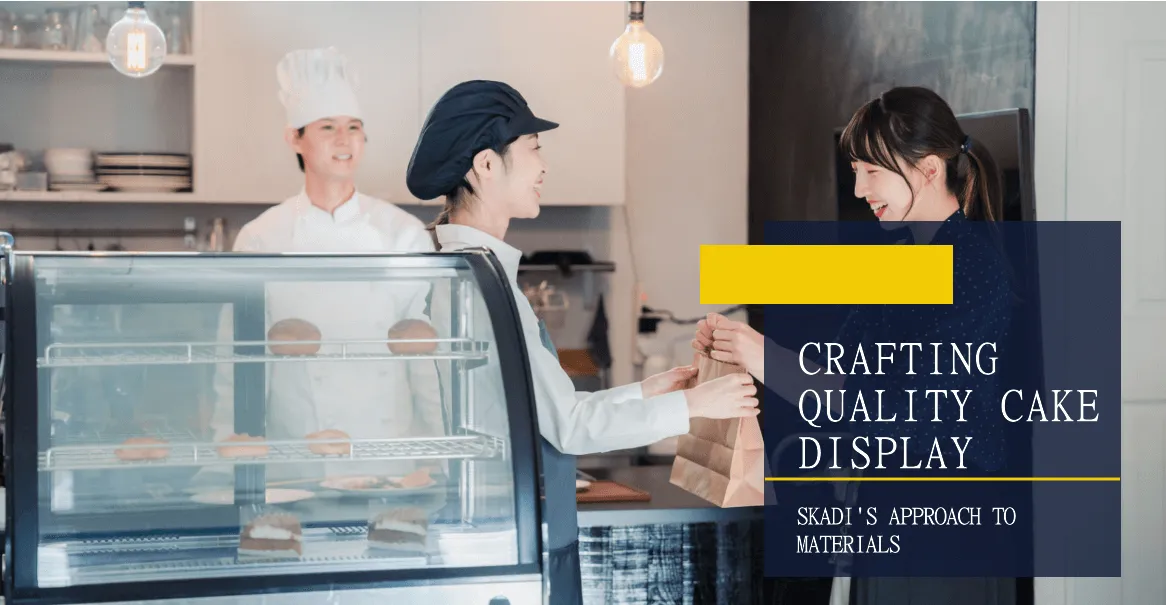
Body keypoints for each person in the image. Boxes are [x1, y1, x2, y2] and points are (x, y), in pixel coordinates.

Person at [404, 80, 760, 605]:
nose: (544, 167)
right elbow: (568, 428)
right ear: (485, 165)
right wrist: (693, 404)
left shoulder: (478, 275)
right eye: (533, 149)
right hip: (508, 541)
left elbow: (551, 411)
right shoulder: (480, 286)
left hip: (512, 532)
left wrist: (651, 392)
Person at [696, 87, 1017, 605]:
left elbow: (903, 409)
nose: (860, 187)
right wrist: (742, 351)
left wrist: (764, 357)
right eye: (855, 170)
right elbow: (836, 377)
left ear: (929, 169)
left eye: (872, 170)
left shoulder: (974, 269)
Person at [203, 48, 443, 482]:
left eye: (354, 128)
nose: (344, 140)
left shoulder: (403, 234)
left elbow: (425, 360)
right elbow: (236, 360)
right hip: (295, 462)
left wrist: (442, 454)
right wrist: (229, 454)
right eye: (327, 127)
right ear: (294, 138)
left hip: (388, 460)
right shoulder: (262, 237)